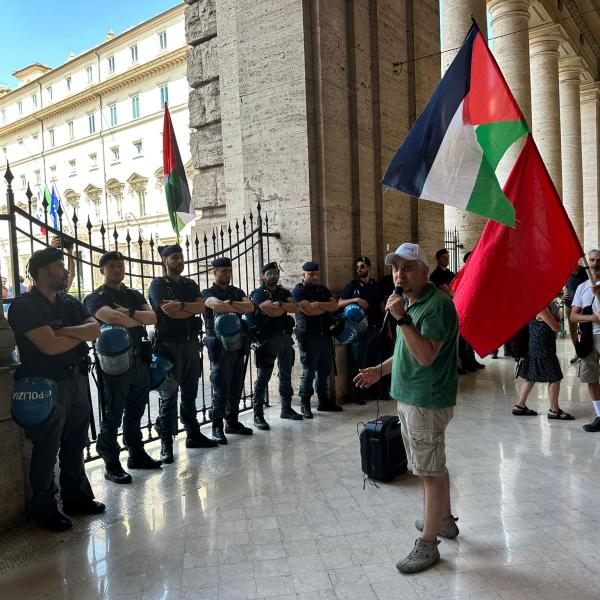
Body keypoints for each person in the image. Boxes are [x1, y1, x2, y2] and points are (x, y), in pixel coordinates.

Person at [354, 243, 459, 574]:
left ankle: (429, 545)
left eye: (408, 267)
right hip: (410, 396)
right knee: (430, 464)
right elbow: (405, 352)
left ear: (424, 271)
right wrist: (378, 371)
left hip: (426, 399)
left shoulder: (436, 306)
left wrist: (401, 318)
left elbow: (426, 355)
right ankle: (442, 520)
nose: (400, 273)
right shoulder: (412, 303)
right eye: (396, 268)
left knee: (429, 471)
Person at [8, 247, 104, 531]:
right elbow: (48, 347)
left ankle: (76, 498)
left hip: (76, 380)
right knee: (47, 449)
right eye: (60, 266)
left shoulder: (68, 302)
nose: (66, 271)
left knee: (76, 444)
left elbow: (95, 330)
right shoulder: (24, 306)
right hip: (45, 385)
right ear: (42, 271)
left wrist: (63, 332)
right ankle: (45, 508)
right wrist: (77, 334)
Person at [84, 251, 162, 484]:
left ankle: (136, 453)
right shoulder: (95, 297)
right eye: (112, 267)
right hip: (114, 364)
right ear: (102, 270)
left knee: (136, 411)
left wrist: (128, 313)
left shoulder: (132, 293)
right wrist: (136, 318)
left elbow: (153, 318)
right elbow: (110, 318)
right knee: (113, 414)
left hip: (139, 359)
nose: (117, 270)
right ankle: (111, 462)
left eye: (120, 265)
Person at [148, 245, 217, 463]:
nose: (179, 261)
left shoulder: (189, 284)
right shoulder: (158, 284)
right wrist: (188, 308)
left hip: (190, 344)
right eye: (174, 258)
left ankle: (193, 434)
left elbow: (201, 307)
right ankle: (166, 443)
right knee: (169, 394)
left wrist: (182, 306)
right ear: (165, 261)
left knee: (190, 391)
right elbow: (168, 311)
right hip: (169, 345)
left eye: (181, 257)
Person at [202, 256, 255, 444]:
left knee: (236, 385)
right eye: (223, 271)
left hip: (238, 345)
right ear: (214, 272)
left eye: (229, 270)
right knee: (220, 386)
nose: (227, 274)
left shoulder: (236, 291)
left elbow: (249, 307)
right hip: (219, 347)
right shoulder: (207, 292)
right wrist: (235, 305)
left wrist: (229, 305)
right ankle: (217, 425)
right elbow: (215, 304)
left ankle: (232, 422)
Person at [250, 261, 302, 429]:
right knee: (263, 376)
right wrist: (280, 307)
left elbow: (296, 307)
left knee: (286, 373)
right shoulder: (258, 293)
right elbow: (269, 310)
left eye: (276, 273)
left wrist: (278, 305)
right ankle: (258, 413)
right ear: (262, 276)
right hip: (267, 339)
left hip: (285, 337)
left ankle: (286, 408)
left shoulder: (283, 291)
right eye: (270, 274)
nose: (273, 277)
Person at [292, 262, 342, 417]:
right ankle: (305, 403)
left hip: (324, 335)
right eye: (311, 274)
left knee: (324, 370)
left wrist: (319, 304)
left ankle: (323, 401)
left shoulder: (322, 289)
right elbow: (309, 310)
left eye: (316, 274)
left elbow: (334, 306)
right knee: (309, 371)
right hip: (309, 336)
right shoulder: (298, 291)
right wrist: (322, 307)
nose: (314, 277)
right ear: (303, 275)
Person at [513, 303, 573, 420]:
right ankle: (554, 410)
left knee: (531, 376)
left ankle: (519, 405)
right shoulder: (541, 308)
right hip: (543, 348)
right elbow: (555, 327)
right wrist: (559, 324)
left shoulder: (534, 305)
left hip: (536, 346)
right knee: (555, 376)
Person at [338, 256, 384, 404]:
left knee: (375, 361)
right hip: (360, 331)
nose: (359, 270)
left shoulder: (375, 285)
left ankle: (374, 391)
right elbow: (339, 303)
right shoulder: (352, 285)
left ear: (369, 268)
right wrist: (355, 300)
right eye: (357, 267)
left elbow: (382, 308)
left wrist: (387, 329)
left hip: (376, 329)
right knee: (358, 363)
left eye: (362, 267)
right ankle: (356, 394)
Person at [570, 249, 600, 432]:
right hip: (589, 338)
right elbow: (574, 316)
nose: (595, 263)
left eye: (598, 260)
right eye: (592, 260)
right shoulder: (582, 287)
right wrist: (591, 318)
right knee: (591, 378)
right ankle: (599, 415)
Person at [564, 263, 588, 364]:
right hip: (570, 306)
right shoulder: (565, 271)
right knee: (573, 330)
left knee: (584, 330)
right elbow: (556, 284)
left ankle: (585, 353)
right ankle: (577, 353)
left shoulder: (585, 271)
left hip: (584, 307)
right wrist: (561, 295)